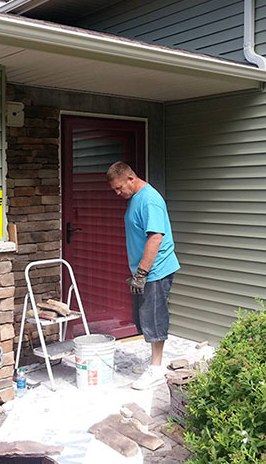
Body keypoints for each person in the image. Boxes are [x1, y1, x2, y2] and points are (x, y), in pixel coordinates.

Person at [106, 161, 180, 390]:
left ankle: (156, 370)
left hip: (156, 271)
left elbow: (156, 237)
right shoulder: (136, 198)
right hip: (146, 271)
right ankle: (154, 363)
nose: (118, 193)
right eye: (114, 190)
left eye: (119, 188)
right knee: (145, 319)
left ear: (130, 178)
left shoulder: (149, 200)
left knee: (154, 318)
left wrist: (142, 273)